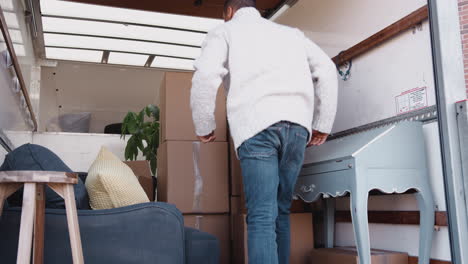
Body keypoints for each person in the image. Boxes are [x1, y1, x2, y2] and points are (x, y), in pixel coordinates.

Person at [190, 0, 338, 263]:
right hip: (296, 129)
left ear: (229, 12)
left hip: (257, 126)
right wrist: (322, 123)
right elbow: (327, 68)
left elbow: (205, 75)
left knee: (261, 216)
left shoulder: (225, 31)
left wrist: (204, 125)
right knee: (280, 211)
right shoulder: (291, 34)